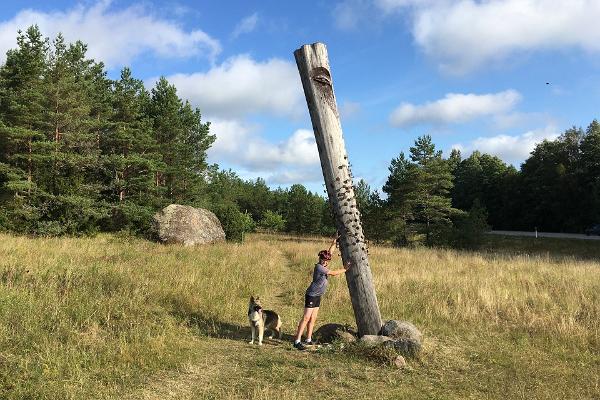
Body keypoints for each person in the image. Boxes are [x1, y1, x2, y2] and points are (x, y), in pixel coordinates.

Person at [293, 233, 351, 350]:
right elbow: (334, 273)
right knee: (306, 318)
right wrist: (345, 269)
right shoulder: (319, 267)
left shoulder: (325, 262)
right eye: (324, 260)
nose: (326, 262)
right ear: (320, 259)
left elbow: (330, 252)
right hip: (311, 295)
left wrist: (334, 242)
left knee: (313, 319)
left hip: (318, 295)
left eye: (327, 260)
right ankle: (297, 340)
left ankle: (308, 339)